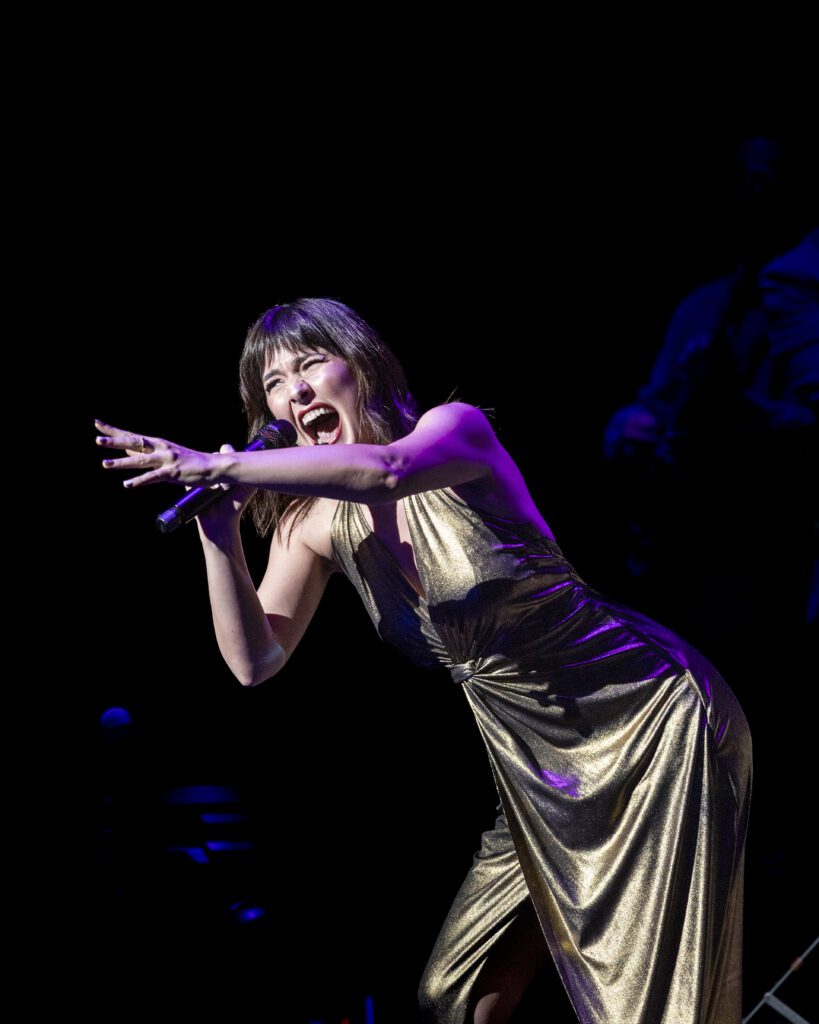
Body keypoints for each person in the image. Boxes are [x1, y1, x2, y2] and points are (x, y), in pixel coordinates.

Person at [95, 297, 752, 1024]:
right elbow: (255, 661)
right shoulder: (308, 524)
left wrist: (225, 468)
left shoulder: (450, 433)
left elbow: (384, 470)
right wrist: (218, 529)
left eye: (312, 364)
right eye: (274, 384)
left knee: (649, 1000)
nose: (296, 392)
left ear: (364, 368)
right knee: (458, 994)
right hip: (534, 765)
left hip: (646, 717)